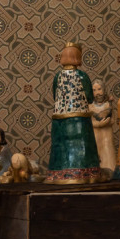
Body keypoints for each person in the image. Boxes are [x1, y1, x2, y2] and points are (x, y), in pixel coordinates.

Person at [45, 42, 101, 184]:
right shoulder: (82, 76)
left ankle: (58, 174)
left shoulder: (58, 76)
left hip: (59, 117)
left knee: (60, 146)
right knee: (82, 145)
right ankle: (85, 173)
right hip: (79, 117)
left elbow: (55, 96)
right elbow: (89, 97)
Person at [89, 79, 117, 180]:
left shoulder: (108, 105)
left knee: (108, 153)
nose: (97, 93)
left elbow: (113, 120)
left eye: (99, 89)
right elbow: (89, 122)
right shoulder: (90, 106)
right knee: (96, 153)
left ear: (104, 90)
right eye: (94, 90)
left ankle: (111, 172)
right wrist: (99, 124)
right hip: (96, 136)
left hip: (107, 136)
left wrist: (108, 121)